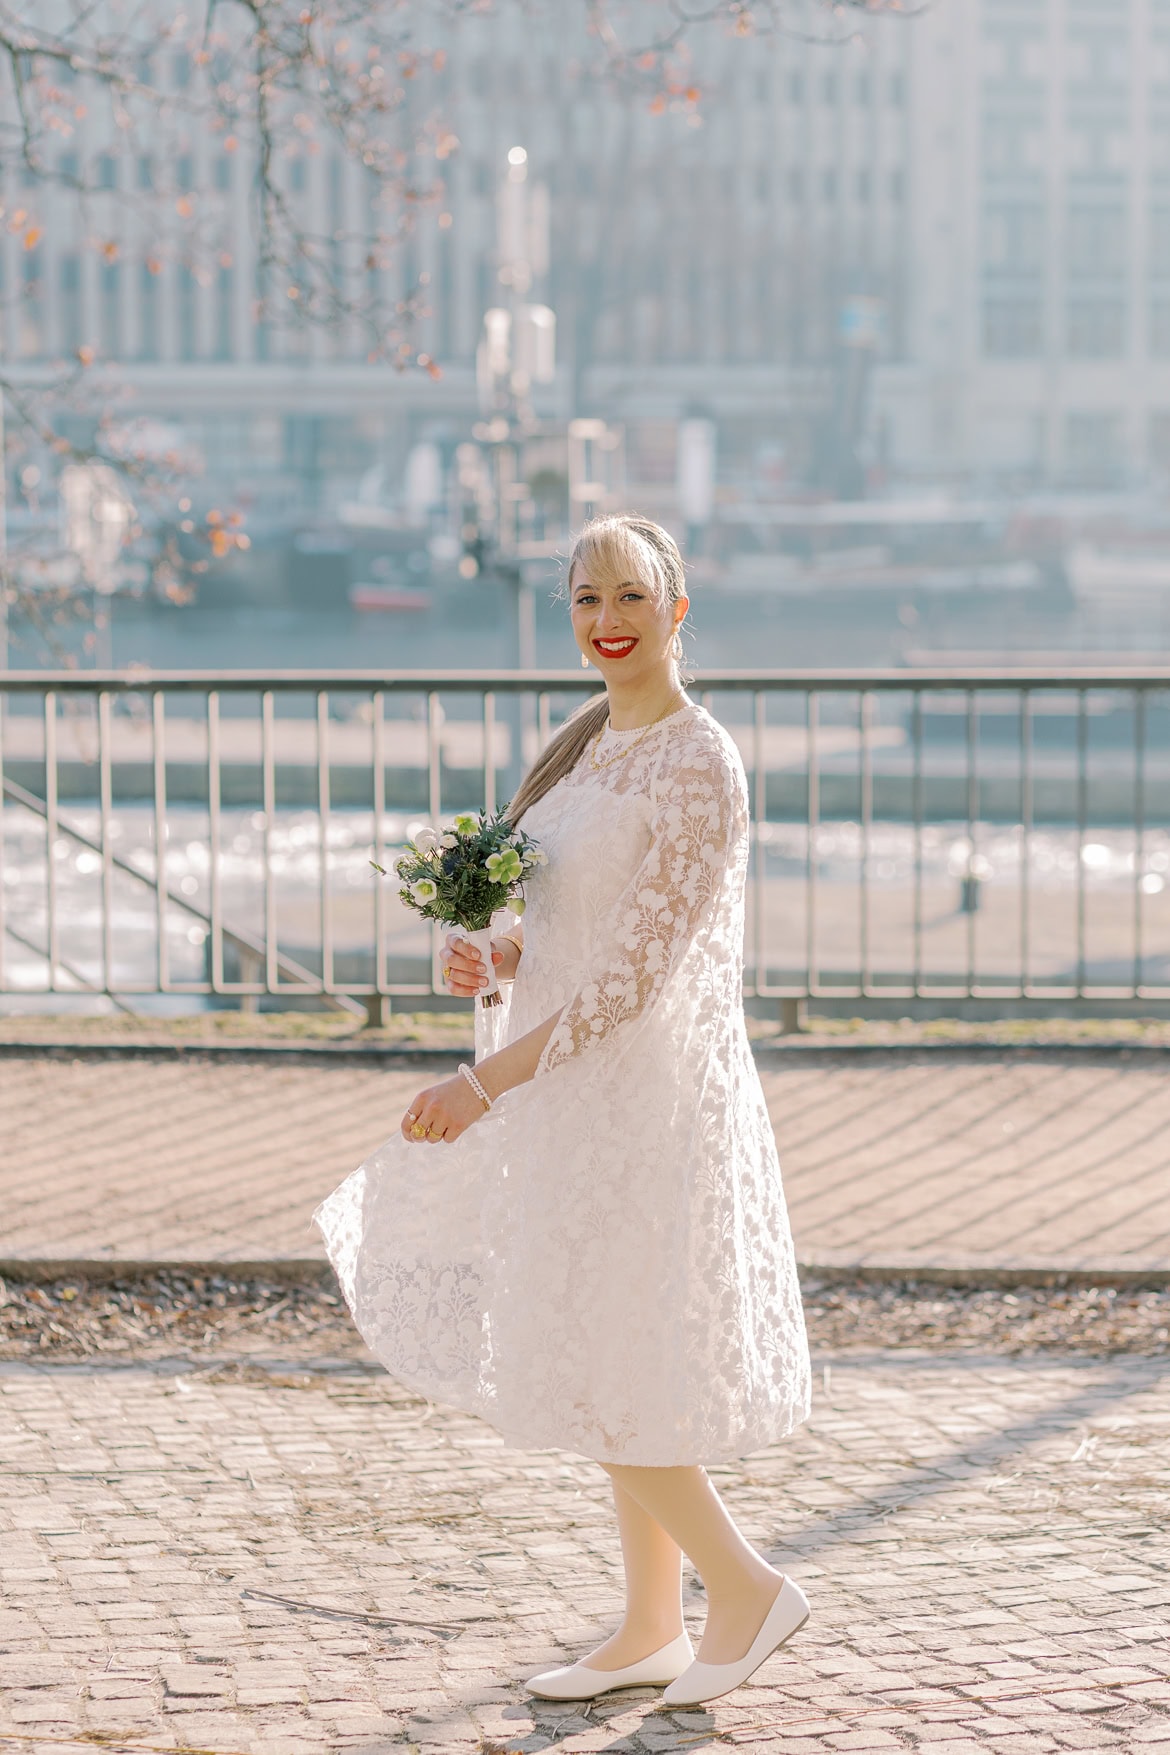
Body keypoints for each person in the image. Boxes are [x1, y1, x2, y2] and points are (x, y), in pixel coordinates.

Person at [314, 513, 811, 1707]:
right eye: (586, 599)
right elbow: (581, 931)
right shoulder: (588, 749)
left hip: (645, 1097)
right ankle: (649, 1626)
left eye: (631, 597)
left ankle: (745, 1590)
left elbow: (643, 976)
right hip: (571, 1090)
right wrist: (498, 956)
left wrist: (480, 1082)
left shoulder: (700, 762)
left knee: (602, 1349)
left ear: (678, 609)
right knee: (604, 1342)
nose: (606, 622)